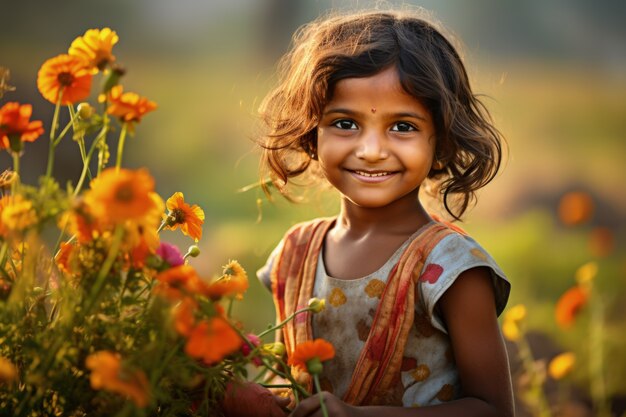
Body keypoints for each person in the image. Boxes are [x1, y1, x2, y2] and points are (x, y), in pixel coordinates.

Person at [248, 8, 514, 417]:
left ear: (440, 140)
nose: (371, 150)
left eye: (403, 127)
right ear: (310, 133)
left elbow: (492, 410)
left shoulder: (452, 269)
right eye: (345, 123)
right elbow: (291, 378)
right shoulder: (293, 255)